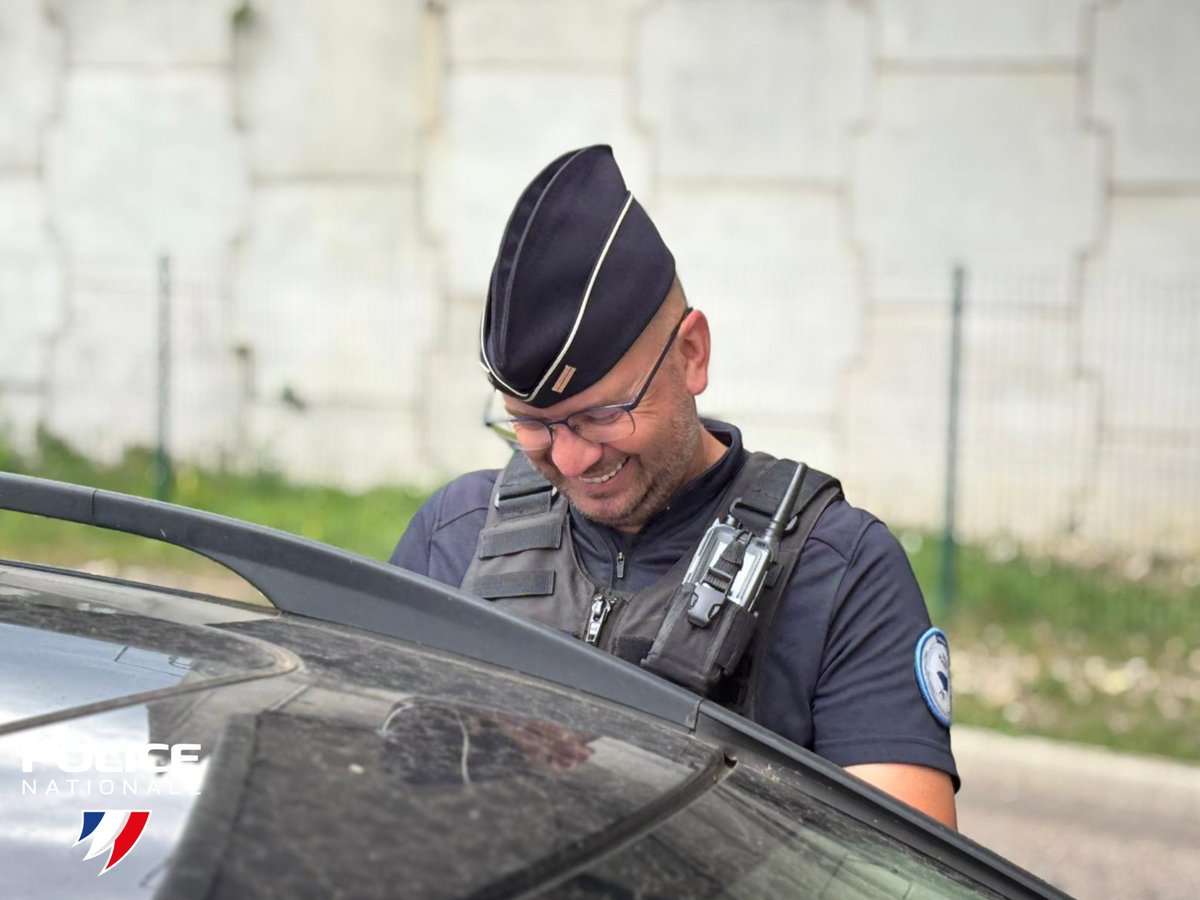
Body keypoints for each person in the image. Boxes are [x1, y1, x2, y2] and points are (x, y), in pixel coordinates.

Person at [391, 145, 958, 828]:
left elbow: (903, 867)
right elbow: (355, 775)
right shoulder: (456, 533)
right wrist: (470, 730)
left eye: (602, 414)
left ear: (692, 355)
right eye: (531, 425)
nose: (569, 460)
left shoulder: (838, 574)